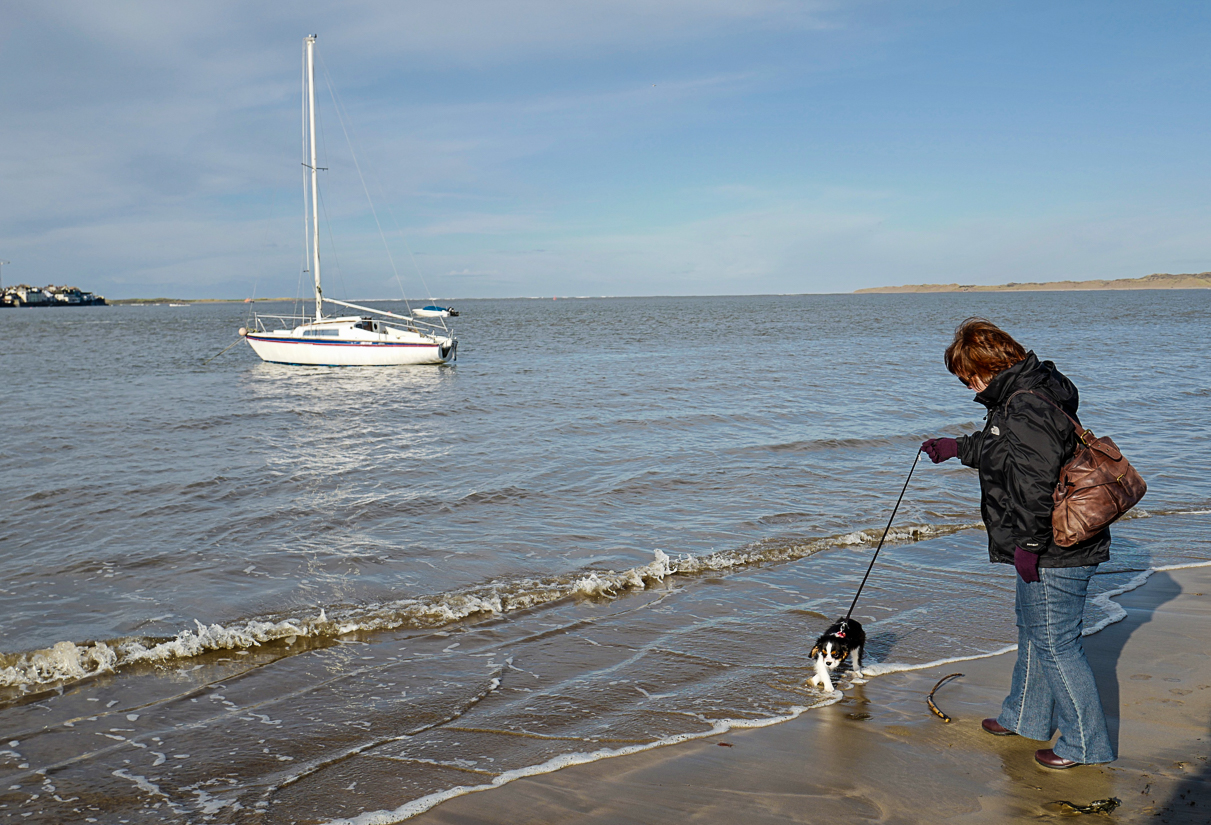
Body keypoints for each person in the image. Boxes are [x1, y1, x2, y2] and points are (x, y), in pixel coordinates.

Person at [920, 317, 1114, 769]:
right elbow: (1005, 449)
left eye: (970, 376)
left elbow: (1033, 481)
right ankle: (1025, 717)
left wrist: (1028, 544)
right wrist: (956, 447)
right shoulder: (1024, 392)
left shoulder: (1025, 403)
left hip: (1056, 545)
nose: (969, 386)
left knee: (1056, 643)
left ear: (989, 365)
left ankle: (1084, 745)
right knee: (1034, 632)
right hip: (1049, 541)